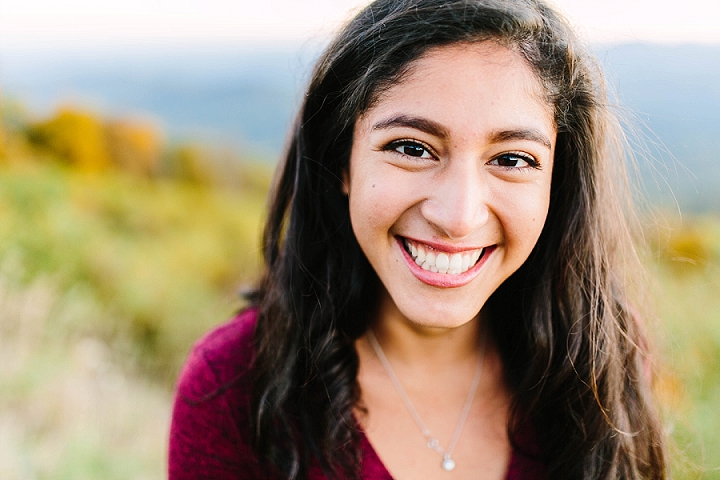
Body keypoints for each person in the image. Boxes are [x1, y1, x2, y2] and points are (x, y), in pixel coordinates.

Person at [168, 0, 668, 478]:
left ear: (556, 184)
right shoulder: (232, 387)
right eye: (412, 148)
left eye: (512, 160)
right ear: (342, 160)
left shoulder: (601, 362)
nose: (458, 216)